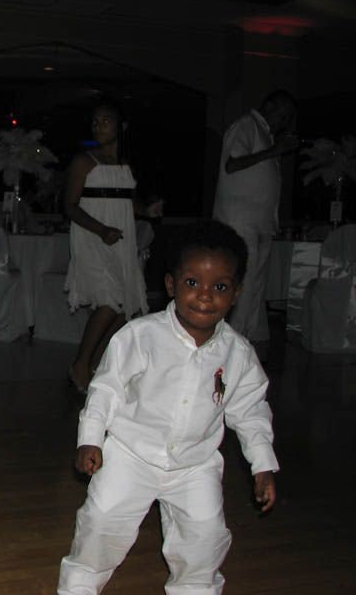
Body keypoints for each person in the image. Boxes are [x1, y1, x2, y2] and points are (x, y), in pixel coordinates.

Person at [58, 219, 279, 594]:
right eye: (192, 282)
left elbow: (251, 411)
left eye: (220, 287)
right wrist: (90, 438)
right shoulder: (141, 336)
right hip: (130, 455)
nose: (205, 296)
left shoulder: (238, 354)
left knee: (204, 537)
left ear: (236, 293)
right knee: (102, 523)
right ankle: (80, 585)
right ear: (171, 285)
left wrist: (263, 465)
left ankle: (195, 588)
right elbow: (106, 389)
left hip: (195, 464)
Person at [64, 101, 161, 392]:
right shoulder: (84, 161)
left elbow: (126, 202)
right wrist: (101, 230)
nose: (99, 126)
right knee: (109, 301)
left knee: (124, 306)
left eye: (105, 121)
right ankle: (80, 365)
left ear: (121, 126)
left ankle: (96, 363)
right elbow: (69, 206)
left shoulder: (124, 166)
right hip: (91, 236)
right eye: (95, 121)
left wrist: (147, 211)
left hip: (119, 239)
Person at [213, 90, 299, 352]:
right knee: (244, 281)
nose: (284, 120)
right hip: (240, 220)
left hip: (261, 222)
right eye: (282, 113)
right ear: (269, 105)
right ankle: (232, 344)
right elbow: (232, 164)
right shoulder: (246, 125)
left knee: (257, 285)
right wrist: (273, 151)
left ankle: (246, 342)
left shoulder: (266, 135)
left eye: (288, 117)